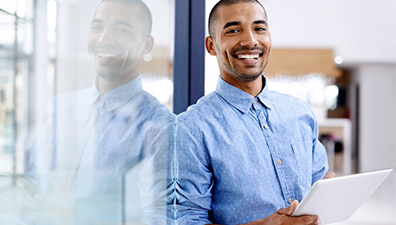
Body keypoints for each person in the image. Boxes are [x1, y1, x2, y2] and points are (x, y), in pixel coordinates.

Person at [174, 0, 335, 224]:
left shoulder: (300, 112)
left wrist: (330, 192)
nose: (250, 40)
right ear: (211, 46)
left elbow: (319, 188)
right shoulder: (192, 128)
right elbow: (187, 219)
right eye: (233, 30)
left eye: (259, 28)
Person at [25, 0, 174, 224]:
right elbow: (32, 181)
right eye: (97, 27)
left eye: (122, 29)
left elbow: (159, 218)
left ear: (146, 45)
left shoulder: (161, 126)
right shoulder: (59, 109)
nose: (104, 39)